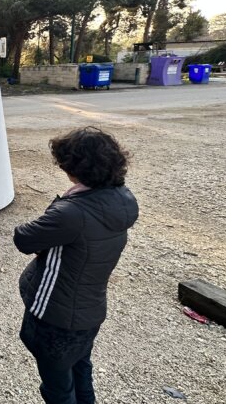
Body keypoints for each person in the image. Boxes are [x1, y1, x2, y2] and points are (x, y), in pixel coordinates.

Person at [14, 127, 138, 404]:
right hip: (89, 311)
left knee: (57, 388)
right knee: (81, 368)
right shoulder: (122, 198)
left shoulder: (72, 213)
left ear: (75, 168)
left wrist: (63, 201)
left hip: (55, 316)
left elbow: (24, 238)